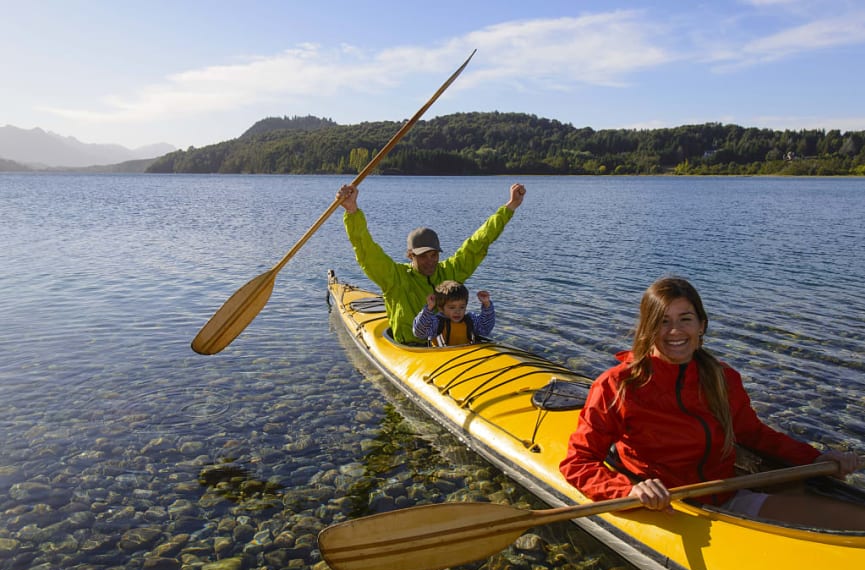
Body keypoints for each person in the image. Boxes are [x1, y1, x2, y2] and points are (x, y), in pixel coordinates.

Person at [559, 276, 865, 530]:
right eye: (663, 321)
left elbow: (754, 434)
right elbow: (578, 462)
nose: (675, 331)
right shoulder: (617, 386)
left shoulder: (722, 377)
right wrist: (628, 490)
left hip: (725, 493)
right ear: (647, 329)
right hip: (670, 504)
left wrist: (816, 459)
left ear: (701, 325)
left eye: (685, 319)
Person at [336, 182, 525, 344]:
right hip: (410, 349)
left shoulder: (449, 272)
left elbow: (478, 242)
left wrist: (510, 207)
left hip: (444, 348)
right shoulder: (394, 277)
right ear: (410, 255)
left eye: (434, 255)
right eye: (423, 255)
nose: (430, 261)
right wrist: (352, 212)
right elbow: (365, 249)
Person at [413, 280, 494, 347]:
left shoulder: (470, 320)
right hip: (441, 359)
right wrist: (428, 309)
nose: (457, 311)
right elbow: (419, 332)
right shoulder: (436, 323)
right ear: (441, 308)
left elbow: (485, 328)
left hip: (465, 357)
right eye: (452, 307)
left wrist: (487, 304)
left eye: (462, 307)